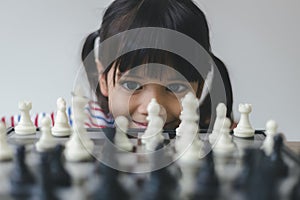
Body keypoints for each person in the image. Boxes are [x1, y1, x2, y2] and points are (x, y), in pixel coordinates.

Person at [81, 0, 233, 130]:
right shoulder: (81, 123)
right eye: (131, 85)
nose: (152, 107)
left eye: (175, 87)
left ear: (199, 87)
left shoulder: (214, 132)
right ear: (103, 80)